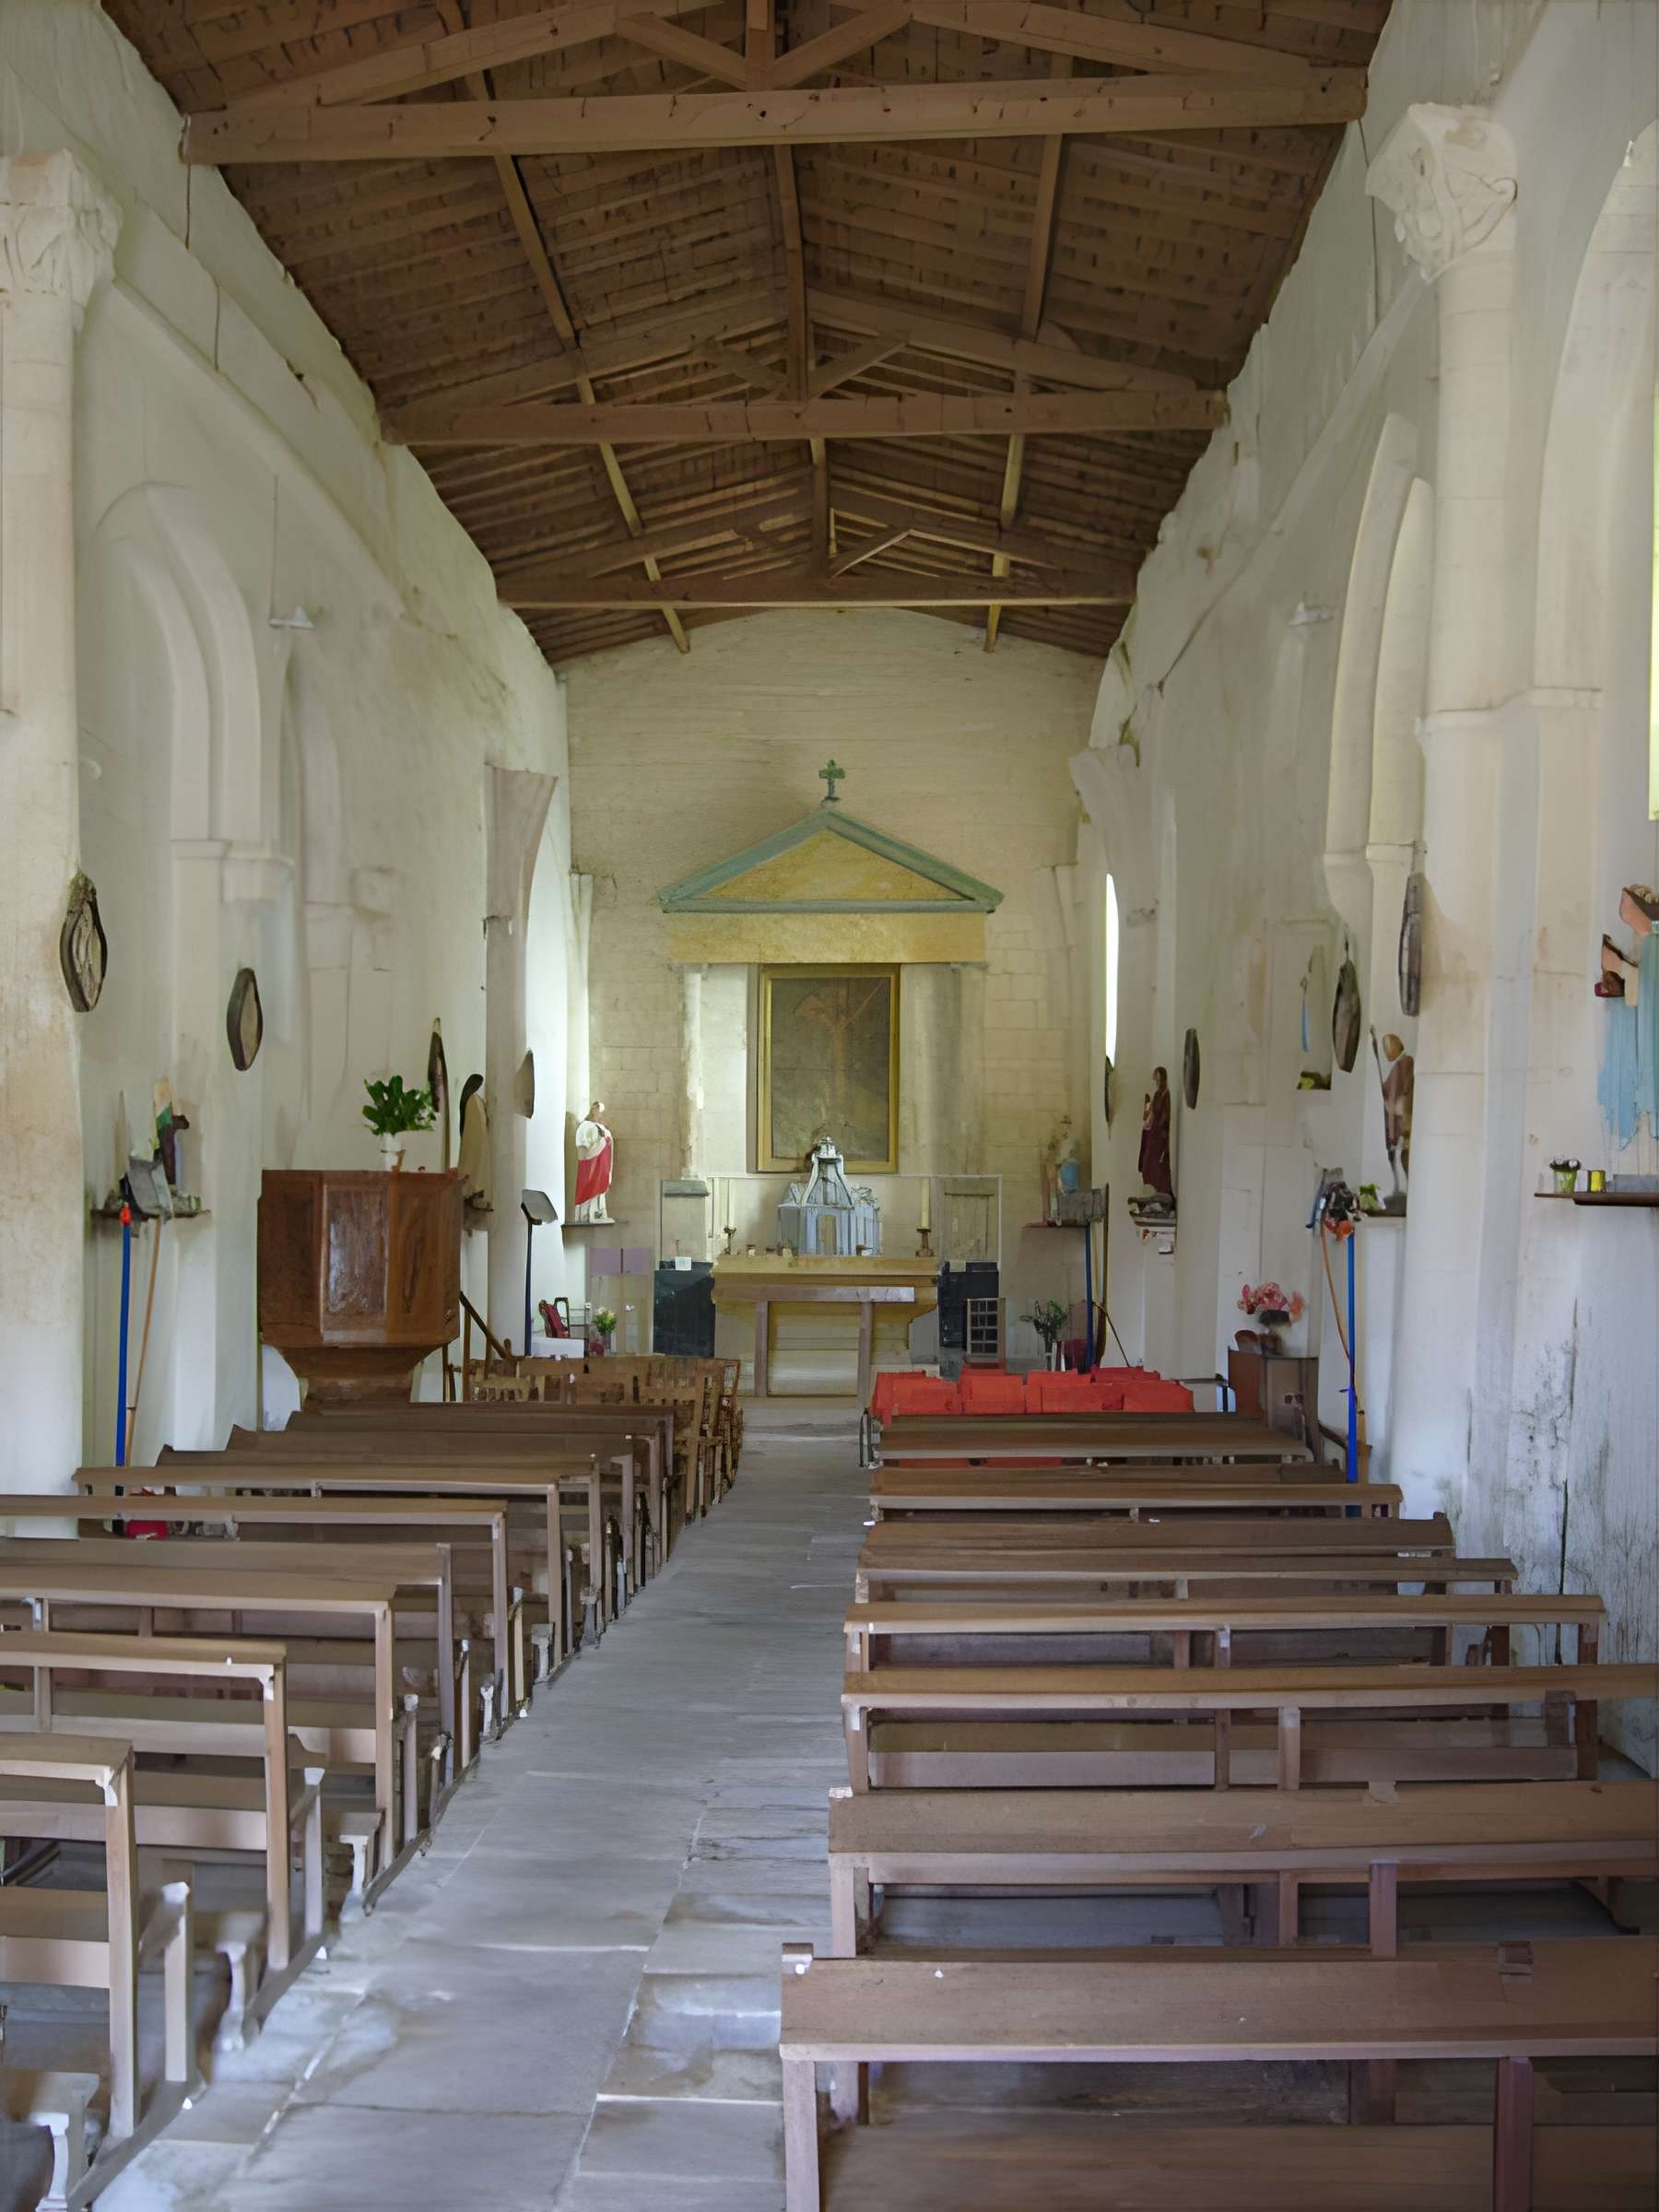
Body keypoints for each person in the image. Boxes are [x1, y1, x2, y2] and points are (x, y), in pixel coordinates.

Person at [573, 1100, 614, 1223]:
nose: (601, 1115)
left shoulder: (600, 1127)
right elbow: (586, 1153)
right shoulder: (585, 1126)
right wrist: (603, 1142)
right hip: (591, 1168)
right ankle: (587, 1216)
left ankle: (599, 1215)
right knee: (590, 1193)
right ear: (593, 1110)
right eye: (599, 1111)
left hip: (602, 1167)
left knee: (599, 1195)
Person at [1138, 1066, 1173, 1199]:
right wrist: (1148, 1107)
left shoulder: (1164, 1095)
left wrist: (1156, 1122)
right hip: (1153, 1134)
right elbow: (1148, 1115)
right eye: (1156, 1080)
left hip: (1159, 1136)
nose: (1157, 1082)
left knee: (1155, 1166)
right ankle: (1152, 1194)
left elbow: (1163, 1116)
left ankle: (1160, 1194)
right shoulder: (1158, 1095)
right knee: (1147, 1167)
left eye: (1158, 1079)